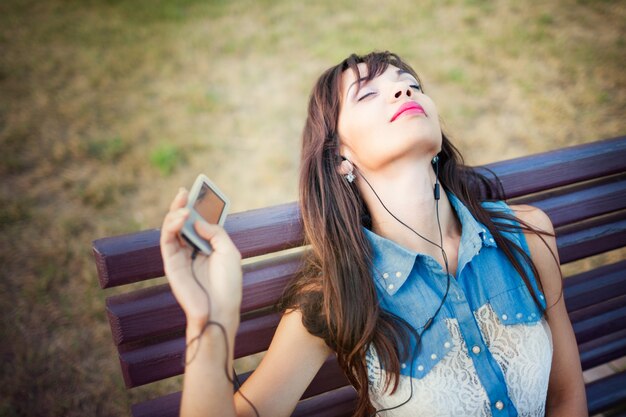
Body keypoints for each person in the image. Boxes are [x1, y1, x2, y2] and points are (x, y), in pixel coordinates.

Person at [160, 51, 588, 416]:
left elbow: (567, 398)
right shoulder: (338, 296)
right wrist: (208, 320)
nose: (404, 92)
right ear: (341, 156)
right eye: (368, 94)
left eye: (411, 85)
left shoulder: (526, 235)